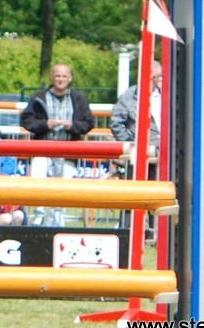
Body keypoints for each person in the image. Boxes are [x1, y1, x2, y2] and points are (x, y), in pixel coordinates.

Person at [19, 63, 94, 227]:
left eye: (64, 76)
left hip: (68, 149)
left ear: (70, 78)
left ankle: (57, 221)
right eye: (58, 76)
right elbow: (26, 120)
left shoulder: (78, 99)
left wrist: (72, 126)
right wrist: (45, 125)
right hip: (42, 148)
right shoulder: (39, 97)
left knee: (62, 188)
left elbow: (88, 123)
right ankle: (38, 218)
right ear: (52, 77)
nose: (61, 80)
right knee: (38, 182)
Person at [110, 65, 162, 232]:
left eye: (157, 78)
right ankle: (129, 230)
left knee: (159, 195)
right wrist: (131, 145)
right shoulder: (129, 96)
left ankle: (157, 232)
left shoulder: (167, 95)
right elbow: (116, 122)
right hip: (138, 155)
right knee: (132, 194)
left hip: (163, 154)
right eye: (151, 78)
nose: (154, 82)